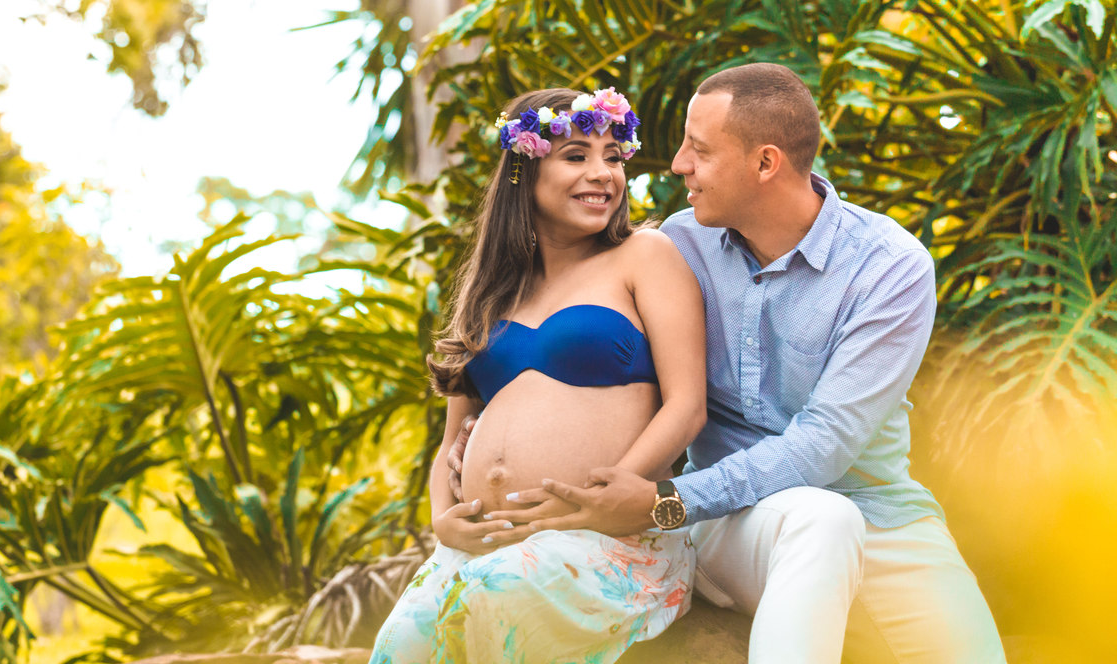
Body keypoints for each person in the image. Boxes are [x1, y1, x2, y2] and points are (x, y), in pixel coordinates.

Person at [467, 65, 1007, 663]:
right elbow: (580, 335)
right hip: (726, 522)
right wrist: (497, 428)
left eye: (699, 150)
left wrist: (663, 500)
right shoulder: (679, 245)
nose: (678, 165)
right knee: (822, 519)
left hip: (879, 518)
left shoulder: (889, 267)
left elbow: (823, 445)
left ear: (766, 163)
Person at [369, 87, 707, 664]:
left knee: (496, 593)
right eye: (576, 156)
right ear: (523, 172)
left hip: (610, 538)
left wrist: (608, 496)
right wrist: (442, 521)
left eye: (613, 156)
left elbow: (687, 406)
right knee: (398, 647)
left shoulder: (645, 255)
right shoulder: (493, 292)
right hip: (481, 549)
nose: (602, 173)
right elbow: (450, 441)